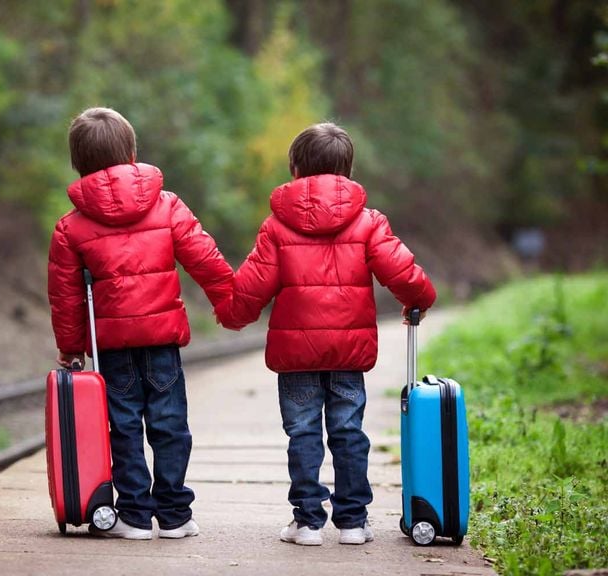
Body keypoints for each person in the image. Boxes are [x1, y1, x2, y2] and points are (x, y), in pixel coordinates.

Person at [215, 122, 436, 546]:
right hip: (347, 354)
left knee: (303, 434)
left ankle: (308, 521)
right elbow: (402, 271)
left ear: (295, 169)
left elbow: (251, 286)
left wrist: (231, 315)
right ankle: (353, 521)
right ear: (347, 170)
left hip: (296, 354)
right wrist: (419, 299)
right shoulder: (368, 222)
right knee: (348, 432)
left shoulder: (277, 226)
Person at [48, 107, 233, 540]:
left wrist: (72, 346)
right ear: (132, 151)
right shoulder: (167, 205)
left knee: (124, 426)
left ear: (77, 162)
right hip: (162, 342)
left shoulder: (70, 228)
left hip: (112, 347)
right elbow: (205, 259)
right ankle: (174, 514)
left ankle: (133, 514)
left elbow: (66, 296)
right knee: (170, 423)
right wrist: (231, 304)